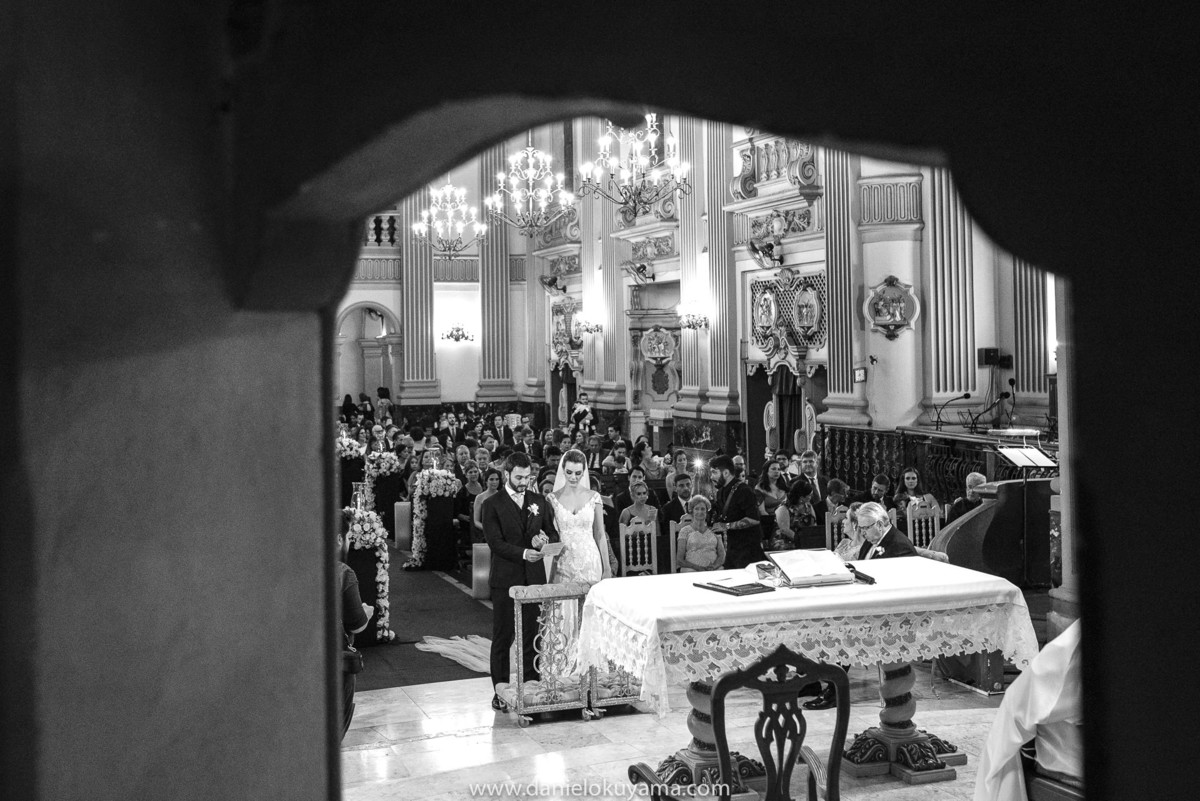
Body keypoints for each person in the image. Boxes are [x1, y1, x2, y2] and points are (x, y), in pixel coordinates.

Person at [481, 452, 559, 710]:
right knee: (504, 636)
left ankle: (531, 689)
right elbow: (496, 543)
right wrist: (525, 552)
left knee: (532, 635)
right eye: (519, 477)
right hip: (506, 580)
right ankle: (499, 690)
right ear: (507, 474)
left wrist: (543, 541)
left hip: (534, 579)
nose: (524, 482)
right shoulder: (492, 504)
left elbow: (552, 531)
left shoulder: (539, 500)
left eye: (527, 477)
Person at [547, 448, 611, 584]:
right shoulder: (552, 499)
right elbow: (550, 533)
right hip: (563, 561)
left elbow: (600, 534)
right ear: (563, 470)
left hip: (590, 561)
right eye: (569, 472)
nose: (573, 477)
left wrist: (607, 568)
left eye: (578, 473)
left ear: (583, 473)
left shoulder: (594, 497)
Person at [337, 527, 373, 739]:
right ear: (339, 539)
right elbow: (357, 624)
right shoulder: (343, 572)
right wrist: (366, 612)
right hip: (335, 661)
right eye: (349, 537)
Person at [710, 455, 765, 569]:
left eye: (714, 472)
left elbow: (754, 520)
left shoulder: (744, 490)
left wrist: (726, 526)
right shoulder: (720, 492)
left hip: (749, 550)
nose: (711, 477)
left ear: (725, 473)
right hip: (732, 548)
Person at [675, 495, 726, 572]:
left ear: (706, 512)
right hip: (691, 570)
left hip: (713, 570)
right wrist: (698, 568)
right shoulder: (684, 531)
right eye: (697, 509)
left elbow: (722, 555)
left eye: (703, 509)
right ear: (692, 511)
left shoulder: (714, 530)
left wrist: (714, 566)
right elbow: (679, 560)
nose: (700, 512)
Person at [892, 466, 941, 534]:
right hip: (910, 531)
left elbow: (938, 513)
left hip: (930, 530)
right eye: (908, 478)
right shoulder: (899, 498)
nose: (911, 481)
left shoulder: (928, 497)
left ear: (917, 480)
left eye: (913, 478)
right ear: (903, 480)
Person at [773, 478, 817, 550]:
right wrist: (801, 541)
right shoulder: (783, 508)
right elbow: (785, 530)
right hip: (784, 540)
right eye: (809, 495)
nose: (811, 497)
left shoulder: (808, 506)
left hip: (803, 539)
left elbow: (813, 523)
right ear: (801, 497)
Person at [754, 459, 790, 541]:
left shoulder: (784, 486)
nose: (777, 471)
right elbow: (762, 511)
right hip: (769, 524)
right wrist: (777, 523)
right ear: (766, 471)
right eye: (773, 469)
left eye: (778, 469)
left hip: (786, 522)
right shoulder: (759, 488)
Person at [455, 461, 484, 545]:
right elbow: (457, 512)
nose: (473, 474)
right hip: (468, 526)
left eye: (475, 471)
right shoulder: (462, 492)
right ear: (466, 474)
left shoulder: (484, 487)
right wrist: (466, 518)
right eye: (470, 472)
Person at [472, 467, 503, 542]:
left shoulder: (503, 496)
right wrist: (488, 530)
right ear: (486, 481)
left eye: (497, 479)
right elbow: (476, 522)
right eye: (491, 479)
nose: (494, 482)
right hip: (484, 533)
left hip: (501, 533)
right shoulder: (480, 497)